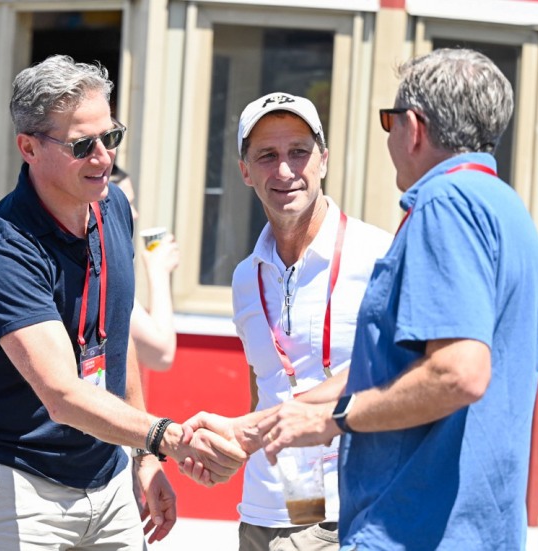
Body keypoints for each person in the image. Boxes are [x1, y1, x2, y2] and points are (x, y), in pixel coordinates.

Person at [186, 48, 538, 550]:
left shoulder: (445, 205)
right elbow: (388, 370)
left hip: (420, 525)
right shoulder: (504, 207)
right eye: (267, 155)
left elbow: (458, 372)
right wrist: (253, 430)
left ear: (415, 127)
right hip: (465, 525)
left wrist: (330, 418)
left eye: (390, 121)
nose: (389, 139)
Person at [0, 55, 246, 550]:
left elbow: (115, 340)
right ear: (28, 147)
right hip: (14, 489)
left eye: (111, 136)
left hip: (105, 483)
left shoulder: (113, 207)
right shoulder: (5, 249)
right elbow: (63, 396)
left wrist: (144, 459)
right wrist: (164, 437)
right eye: (83, 144)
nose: (104, 157)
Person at [229, 92, 391, 550]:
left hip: (351, 512)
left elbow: (398, 373)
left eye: (298, 152)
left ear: (323, 159)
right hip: (262, 512)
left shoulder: (376, 255)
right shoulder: (245, 276)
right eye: (267, 156)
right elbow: (262, 386)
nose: (284, 171)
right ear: (245, 171)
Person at [111, 166, 180, 371]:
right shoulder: (96, 268)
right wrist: (158, 272)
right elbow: (162, 354)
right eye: (126, 204)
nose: (134, 214)